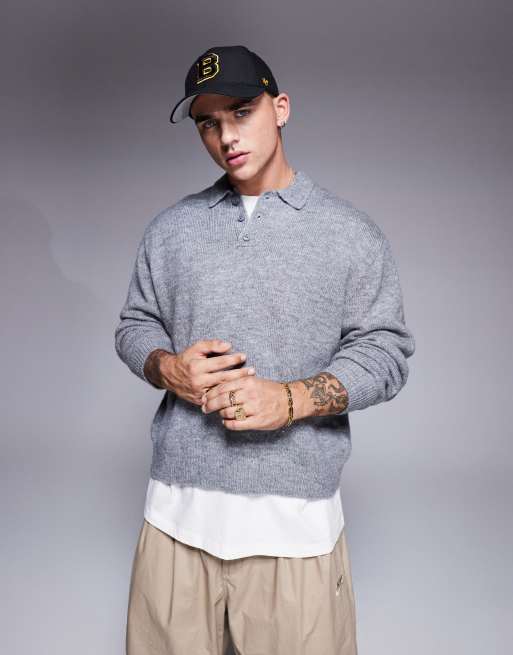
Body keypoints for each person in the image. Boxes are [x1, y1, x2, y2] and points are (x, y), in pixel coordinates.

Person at [115, 44, 415, 655]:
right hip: (175, 519)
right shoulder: (171, 229)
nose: (226, 136)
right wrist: (166, 367)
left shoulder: (349, 233)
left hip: (293, 529)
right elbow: (135, 325)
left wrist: (291, 399)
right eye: (208, 123)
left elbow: (386, 351)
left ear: (280, 109)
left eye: (242, 111)